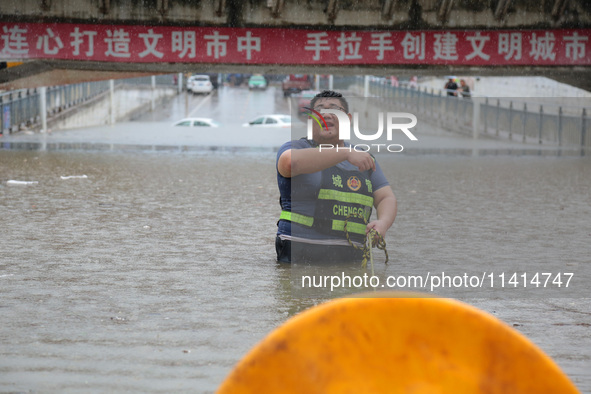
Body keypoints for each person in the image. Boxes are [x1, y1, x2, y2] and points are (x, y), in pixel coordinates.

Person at [275, 90, 397, 263]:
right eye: (320, 110)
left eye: (334, 110)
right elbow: (289, 163)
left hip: (352, 257)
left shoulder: (363, 158)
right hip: (300, 253)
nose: (327, 115)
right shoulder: (295, 147)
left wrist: (383, 223)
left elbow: (386, 196)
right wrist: (345, 153)